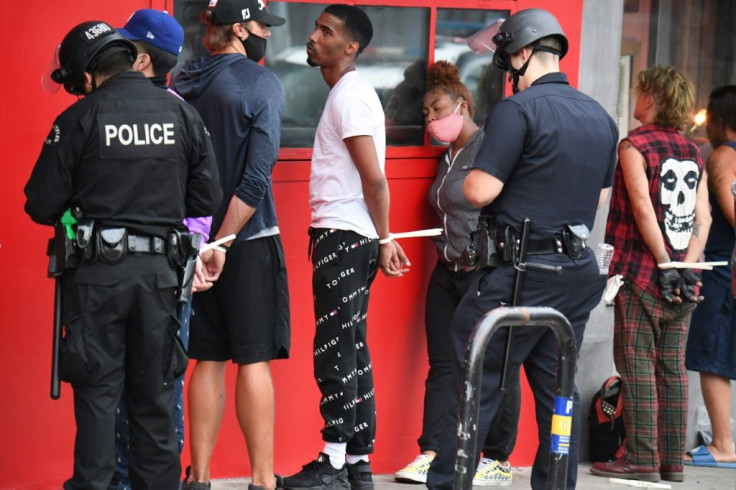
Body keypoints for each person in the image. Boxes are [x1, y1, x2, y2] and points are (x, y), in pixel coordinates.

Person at [426, 8, 619, 489]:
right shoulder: (600, 115)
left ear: (524, 52)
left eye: (507, 56)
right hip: (574, 273)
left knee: (474, 383)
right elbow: (596, 198)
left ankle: (450, 481)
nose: (506, 68)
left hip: (518, 274)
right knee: (560, 392)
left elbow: (478, 192)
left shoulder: (518, 110)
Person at [26, 20, 221, 489]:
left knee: (97, 398)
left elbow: (41, 204)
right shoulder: (182, 115)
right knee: (154, 399)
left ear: (87, 74)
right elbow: (205, 200)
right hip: (161, 280)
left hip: (97, 282)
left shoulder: (77, 119)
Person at [282, 5, 410, 490]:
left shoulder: (351, 97)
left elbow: (375, 179)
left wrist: (385, 237)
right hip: (349, 235)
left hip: (345, 235)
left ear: (351, 48)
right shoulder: (348, 94)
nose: (314, 37)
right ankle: (357, 462)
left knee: (334, 348)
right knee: (352, 347)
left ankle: (332, 461)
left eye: (326, 31)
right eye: (316, 28)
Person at [169, 1, 290, 489]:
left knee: (207, 357)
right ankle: (262, 481)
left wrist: (202, 242)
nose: (267, 33)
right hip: (246, 239)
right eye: (263, 25)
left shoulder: (181, 82)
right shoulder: (259, 83)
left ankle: (198, 477)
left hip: (191, 243)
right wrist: (223, 240)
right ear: (240, 29)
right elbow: (257, 177)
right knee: (253, 356)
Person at [393, 60, 519, 487]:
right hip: (447, 270)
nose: (431, 120)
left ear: (463, 105)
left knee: (495, 363)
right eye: (426, 114)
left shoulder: (488, 147)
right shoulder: (449, 156)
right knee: (443, 364)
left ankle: (498, 456)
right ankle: (431, 451)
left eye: (438, 109)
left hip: (484, 272)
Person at [108, 9, 215, 490]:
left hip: (157, 271)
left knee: (150, 387)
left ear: (142, 57)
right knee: (139, 385)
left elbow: (202, 198)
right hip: (157, 270)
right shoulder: (178, 112)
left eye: (125, 46)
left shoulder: (176, 113)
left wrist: (191, 256)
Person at [591, 65, 711, 483]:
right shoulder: (695, 151)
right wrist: (685, 267)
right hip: (684, 277)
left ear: (653, 99)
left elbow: (643, 208)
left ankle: (641, 460)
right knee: (673, 370)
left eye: (641, 92)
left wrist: (663, 265)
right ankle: (672, 463)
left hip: (642, 273)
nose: (635, 98)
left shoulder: (634, 145)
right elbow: (704, 217)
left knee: (638, 366)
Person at [684, 86, 736, 468]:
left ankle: (723, 444)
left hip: (722, 272)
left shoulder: (722, 158)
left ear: (720, 120)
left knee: (713, 356)